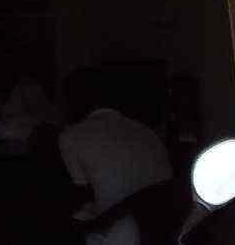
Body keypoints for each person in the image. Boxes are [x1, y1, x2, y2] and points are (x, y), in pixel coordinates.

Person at [59, 68, 173, 245]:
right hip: (166, 228)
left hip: (120, 233)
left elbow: (82, 196)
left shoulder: (71, 136)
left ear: (73, 102)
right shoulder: (146, 132)